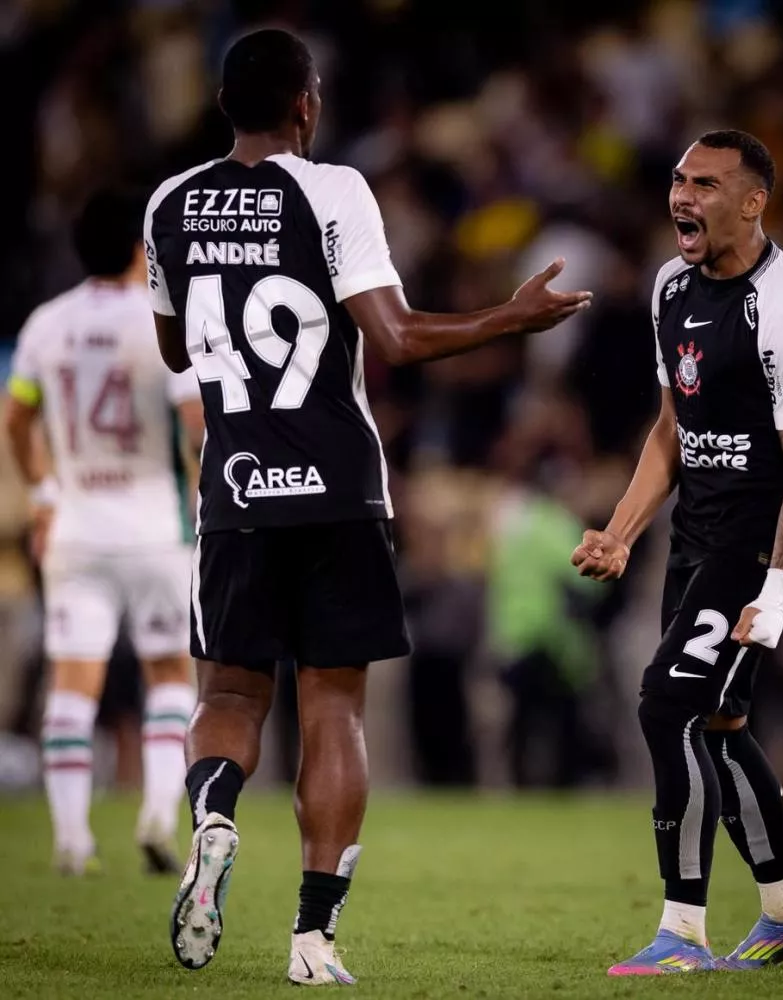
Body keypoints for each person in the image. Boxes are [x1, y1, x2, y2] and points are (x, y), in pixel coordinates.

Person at [143, 27, 592, 987]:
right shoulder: (334, 188)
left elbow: (178, 351)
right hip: (338, 489)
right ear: (306, 103)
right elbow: (394, 334)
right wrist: (508, 318)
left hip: (233, 489)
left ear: (224, 107)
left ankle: (215, 818)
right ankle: (313, 940)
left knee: (227, 694)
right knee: (334, 706)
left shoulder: (168, 205)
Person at [572, 130, 783, 975]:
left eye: (708, 184)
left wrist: (780, 594)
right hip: (694, 542)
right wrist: (621, 531)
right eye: (679, 179)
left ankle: (681, 934)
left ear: (754, 201)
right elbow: (670, 434)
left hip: (756, 547)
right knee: (717, 726)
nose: (683, 196)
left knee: (665, 707)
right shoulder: (670, 287)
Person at [5, 187, 204, 876]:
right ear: (139, 248)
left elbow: (16, 419)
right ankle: (155, 811)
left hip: (76, 527)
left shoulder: (44, 325)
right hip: (157, 527)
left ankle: (70, 837)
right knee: (170, 673)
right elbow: (195, 426)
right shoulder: (161, 325)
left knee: (72, 683)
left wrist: (43, 492)